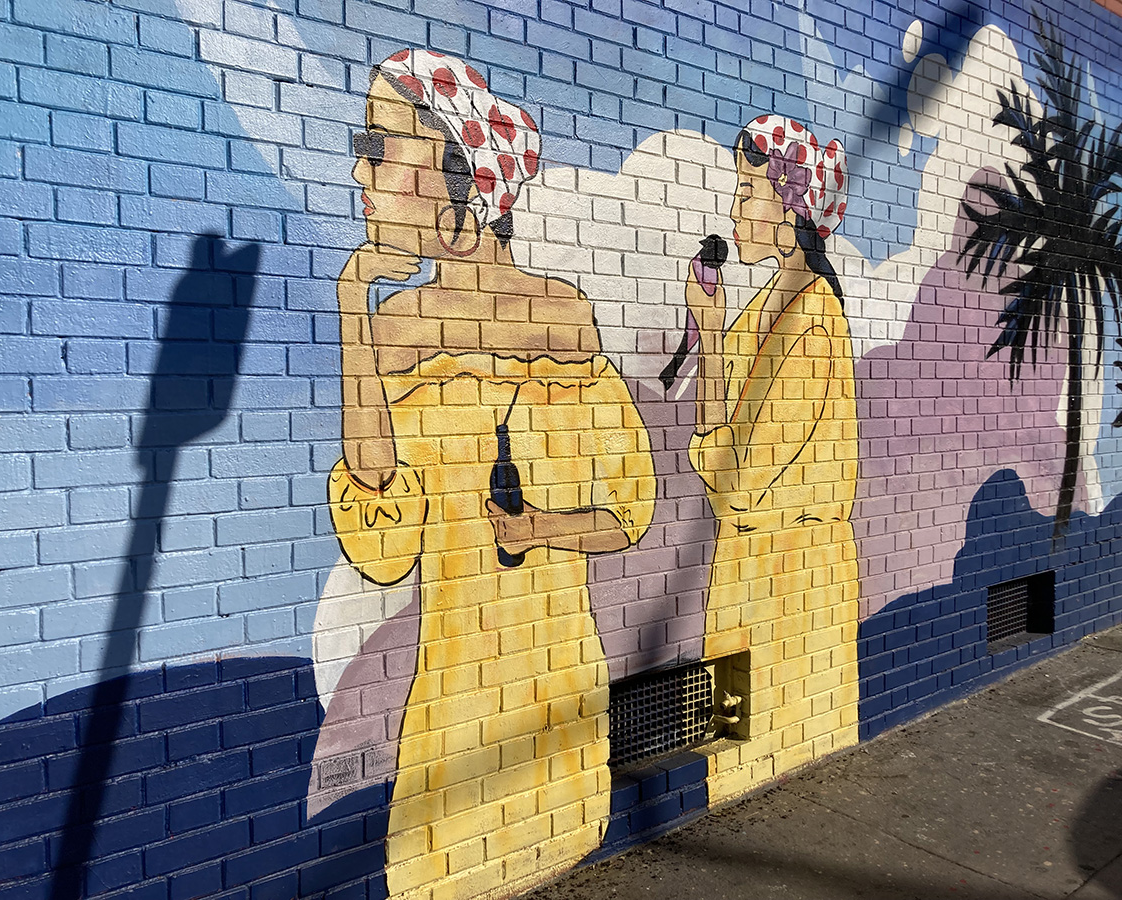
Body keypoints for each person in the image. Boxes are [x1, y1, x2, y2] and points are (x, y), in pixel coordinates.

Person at [328, 50, 656, 898]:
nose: (360, 171)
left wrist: (540, 527)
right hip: (451, 705)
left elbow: (627, 510)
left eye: (377, 146)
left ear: (458, 176)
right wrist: (350, 309)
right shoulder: (391, 334)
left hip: (558, 682)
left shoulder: (564, 321)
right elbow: (382, 536)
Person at [683, 116, 860, 775]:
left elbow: (734, 478)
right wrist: (710, 328)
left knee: (785, 763)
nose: (734, 209)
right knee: (729, 762)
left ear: (790, 204)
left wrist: (711, 446)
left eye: (747, 189)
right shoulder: (761, 309)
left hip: (796, 587)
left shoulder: (813, 322)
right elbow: (717, 424)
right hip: (743, 576)